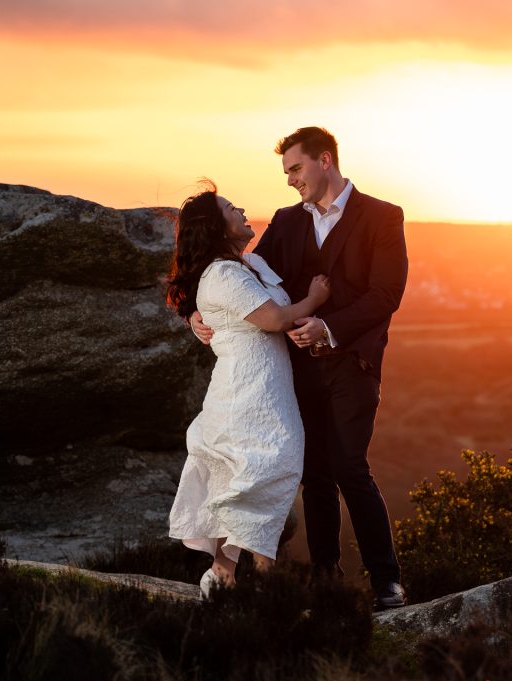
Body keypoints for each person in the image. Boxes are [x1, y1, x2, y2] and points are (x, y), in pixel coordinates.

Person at [191, 127, 409, 609]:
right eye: (286, 171)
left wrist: (327, 327)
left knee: (351, 466)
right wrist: (194, 310)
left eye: (295, 168)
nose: (290, 180)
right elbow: (240, 273)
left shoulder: (382, 216)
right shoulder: (288, 222)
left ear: (324, 160)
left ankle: (386, 580)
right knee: (314, 475)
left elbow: (385, 294)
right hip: (297, 373)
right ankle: (326, 579)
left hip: (353, 362)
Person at [165, 181, 331, 598]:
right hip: (245, 393)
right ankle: (257, 583)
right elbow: (275, 319)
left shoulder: (249, 264)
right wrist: (314, 299)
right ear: (216, 228)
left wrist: (199, 315)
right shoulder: (222, 274)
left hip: (269, 390)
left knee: (259, 480)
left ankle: (226, 579)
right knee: (260, 476)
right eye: (229, 207)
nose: (240, 209)